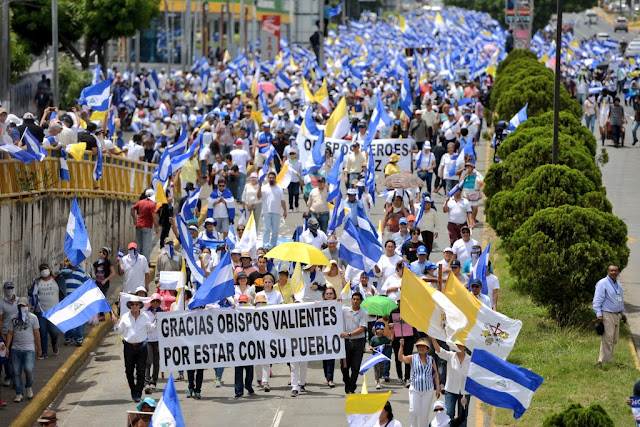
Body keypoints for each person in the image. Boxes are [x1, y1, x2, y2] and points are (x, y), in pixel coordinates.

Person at [111, 296, 156, 402]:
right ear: (130, 306)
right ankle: (133, 390)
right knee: (129, 371)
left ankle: (138, 393)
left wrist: (156, 322)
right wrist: (115, 323)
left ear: (140, 305)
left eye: (136, 304)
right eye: (132, 304)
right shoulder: (125, 317)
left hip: (142, 347)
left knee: (141, 371)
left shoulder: (145, 317)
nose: (134, 306)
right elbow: (119, 331)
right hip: (129, 347)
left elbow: (150, 329)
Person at [398, 337, 440, 427]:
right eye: (419, 346)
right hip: (415, 388)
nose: (421, 348)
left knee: (424, 414)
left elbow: (435, 374)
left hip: (428, 389)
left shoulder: (431, 359)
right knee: (413, 411)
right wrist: (401, 346)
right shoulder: (413, 357)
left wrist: (438, 388)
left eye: (423, 346)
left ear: (427, 349)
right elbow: (401, 358)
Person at [5, 297, 41, 402]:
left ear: (27, 306)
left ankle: (29, 386)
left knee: (29, 369)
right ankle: (19, 393)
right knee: (16, 372)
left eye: (24, 305)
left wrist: (39, 348)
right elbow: (10, 333)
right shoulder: (13, 318)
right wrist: (7, 347)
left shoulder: (33, 318)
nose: (22, 307)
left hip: (29, 349)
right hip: (15, 349)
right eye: (20, 306)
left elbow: (36, 333)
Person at [430, 337, 471, 426]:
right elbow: (439, 351)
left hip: (464, 392)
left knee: (463, 416)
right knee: (449, 414)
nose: (459, 347)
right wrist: (433, 339)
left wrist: (467, 393)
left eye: (461, 345)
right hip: (450, 391)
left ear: (465, 347)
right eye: (457, 345)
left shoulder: (470, 359)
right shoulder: (450, 355)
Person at [28, 263, 66, 359]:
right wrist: (33, 293)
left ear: (50, 269)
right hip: (40, 312)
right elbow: (30, 292)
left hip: (53, 312)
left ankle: (54, 344)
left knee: (54, 332)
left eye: (45, 268)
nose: (44, 271)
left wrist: (59, 273)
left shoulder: (57, 280)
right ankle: (44, 352)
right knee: (42, 332)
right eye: (41, 269)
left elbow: (67, 272)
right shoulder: (37, 282)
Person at [593, 264, 627, 365]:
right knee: (607, 339)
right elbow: (597, 300)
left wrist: (623, 314)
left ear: (618, 273)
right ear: (608, 272)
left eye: (615, 271)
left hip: (616, 315)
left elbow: (620, 300)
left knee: (614, 339)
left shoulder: (618, 284)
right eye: (611, 270)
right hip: (607, 314)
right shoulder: (602, 283)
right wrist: (599, 314)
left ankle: (608, 360)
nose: (613, 272)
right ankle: (603, 361)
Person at [340, 292, 368, 394]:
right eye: (354, 299)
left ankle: (351, 387)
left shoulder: (363, 313)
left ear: (361, 301)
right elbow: (333, 309)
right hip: (345, 343)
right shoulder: (345, 310)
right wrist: (336, 301)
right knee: (344, 367)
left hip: (358, 343)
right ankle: (347, 383)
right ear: (351, 300)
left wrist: (349, 334)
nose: (355, 301)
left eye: (357, 299)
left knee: (355, 367)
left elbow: (362, 328)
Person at [259, 171, 287, 249]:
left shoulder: (279, 188)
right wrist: (259, 186)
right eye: (270, 178)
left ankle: (273, 245)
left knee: (275, 230)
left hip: (276, 212)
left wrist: (285, 211)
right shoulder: (264, 188)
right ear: (268, 178)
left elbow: (282, 201)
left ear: (275, 178)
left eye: (273, 178)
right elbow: (259, 197)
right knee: (266, 229)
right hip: (266, 211)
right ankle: (265, 245)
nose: (271, 179)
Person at [131, 189, 160, 262]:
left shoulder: (141, 202)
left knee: (138, 244)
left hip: (139, 225)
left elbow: (132, 208)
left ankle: (137, 261)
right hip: (147, 226)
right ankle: (145, 262)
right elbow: (154, 216)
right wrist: (157, 226)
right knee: (146, 245)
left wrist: (134, 219)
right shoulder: (152, 204)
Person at [144, 293, 163, 394]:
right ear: (150, 302)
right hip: (148, 340)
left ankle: (153, 381)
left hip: (159, 340)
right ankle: (146, 381)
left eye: (157, 301)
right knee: (148, 361)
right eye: (153, 301)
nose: (155, 303)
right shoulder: (145, 314)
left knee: (156, 362)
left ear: (160, 303)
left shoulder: (163, 313)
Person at [0, 281, 17, 387]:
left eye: (11, 288)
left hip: (17, 333)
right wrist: (2, 335)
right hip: (6, 332)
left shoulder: (19, 302)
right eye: (7, 288)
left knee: (16, 356)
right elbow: (0, 320)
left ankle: (16, 379)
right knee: (6, 356)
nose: (9, 290)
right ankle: (9, 377)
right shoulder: (1, 303)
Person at [322, 286, 338, 388]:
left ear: (334, 295)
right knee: (324, 358)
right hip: (322, 336)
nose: (328, 295)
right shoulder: (320, 305)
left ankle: (330, 379)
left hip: (333, 335)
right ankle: (327, 377)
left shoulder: (337, 304)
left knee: (331, 358)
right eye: (327, 294)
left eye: (330, 293)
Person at [93, 247, 116, 317]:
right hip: (97, 283)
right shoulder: (96, 263)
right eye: (100, 252)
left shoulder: (108, 263)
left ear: (106, 255)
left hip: (104, 284)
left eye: (103, 253)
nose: (101, 254)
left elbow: (113, 273)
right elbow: (94, 273)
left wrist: (105, 280)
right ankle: (105, 313)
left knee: (102, 298)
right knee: (98, 298)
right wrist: (94, 278)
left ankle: (104, 314)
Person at [370, 324, 394, 389]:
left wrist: (392, 332)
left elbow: (390, 341)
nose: (380, 330)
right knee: (377, 369)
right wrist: (371, 348)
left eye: (382, 329)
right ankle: (377, 382)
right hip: (376, 356)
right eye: (378, 329)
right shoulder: (374, 338)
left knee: (382, 369)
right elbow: (370, 345)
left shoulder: (385, 338)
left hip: (382, 356)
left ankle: (379, 377)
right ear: (375, 330)